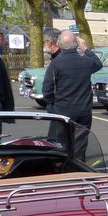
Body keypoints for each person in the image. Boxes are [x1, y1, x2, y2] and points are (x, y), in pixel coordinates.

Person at [42, 30, 101, 160]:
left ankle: (64, 169)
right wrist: (85, 48)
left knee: (62, 144)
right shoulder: (85, 61)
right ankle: (78, 169)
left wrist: (53, 103)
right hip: (83, 110)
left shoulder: (56, 63)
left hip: (63, 110)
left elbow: (47, 89)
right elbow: (98, 63)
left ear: (60, 44)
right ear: (76, 44)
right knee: (80, 144)